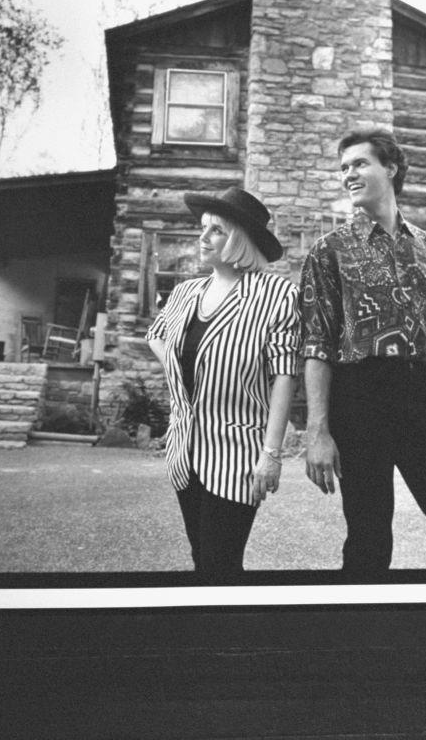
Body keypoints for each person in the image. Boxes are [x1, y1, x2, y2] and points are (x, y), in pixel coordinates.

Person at [300, 127, 426, 581]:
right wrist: (317, 430)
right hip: (358, 398)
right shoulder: (329, 251)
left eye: (359, 163)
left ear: (392, 168)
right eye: (343, 167)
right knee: (368, 537)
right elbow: (317, 346)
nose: (349, 174)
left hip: (420, 394)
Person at [146, 186, 300, 584]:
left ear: (238, 239)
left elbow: (284, 374)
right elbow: (156, 335)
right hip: (184, 450)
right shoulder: (185, 292)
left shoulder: (278, 296)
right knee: (202, 559)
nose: (203, 237)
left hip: (238, 455)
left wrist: (272, 453)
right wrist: (181, 371)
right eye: (203, 228)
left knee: (221, 565)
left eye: (215, 230)